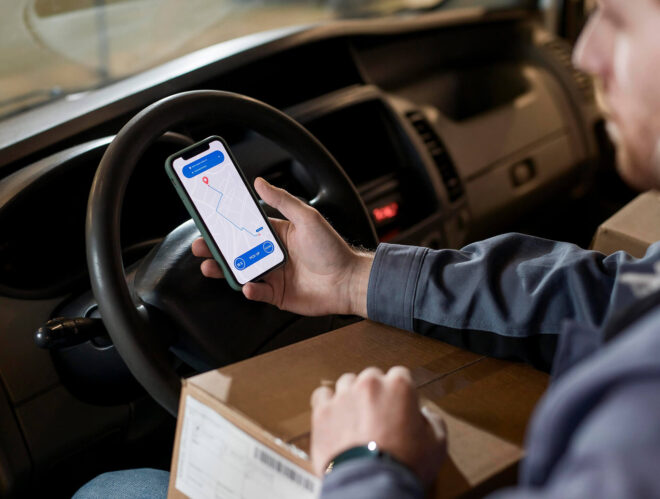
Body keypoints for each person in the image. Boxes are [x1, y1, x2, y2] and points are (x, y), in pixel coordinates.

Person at [74, 0, 660, 497]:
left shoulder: (639, 425)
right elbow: (603, 296)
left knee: (110, 489)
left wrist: (369, 463)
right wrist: (353, 278)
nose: (584, 54)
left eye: (619, 17)